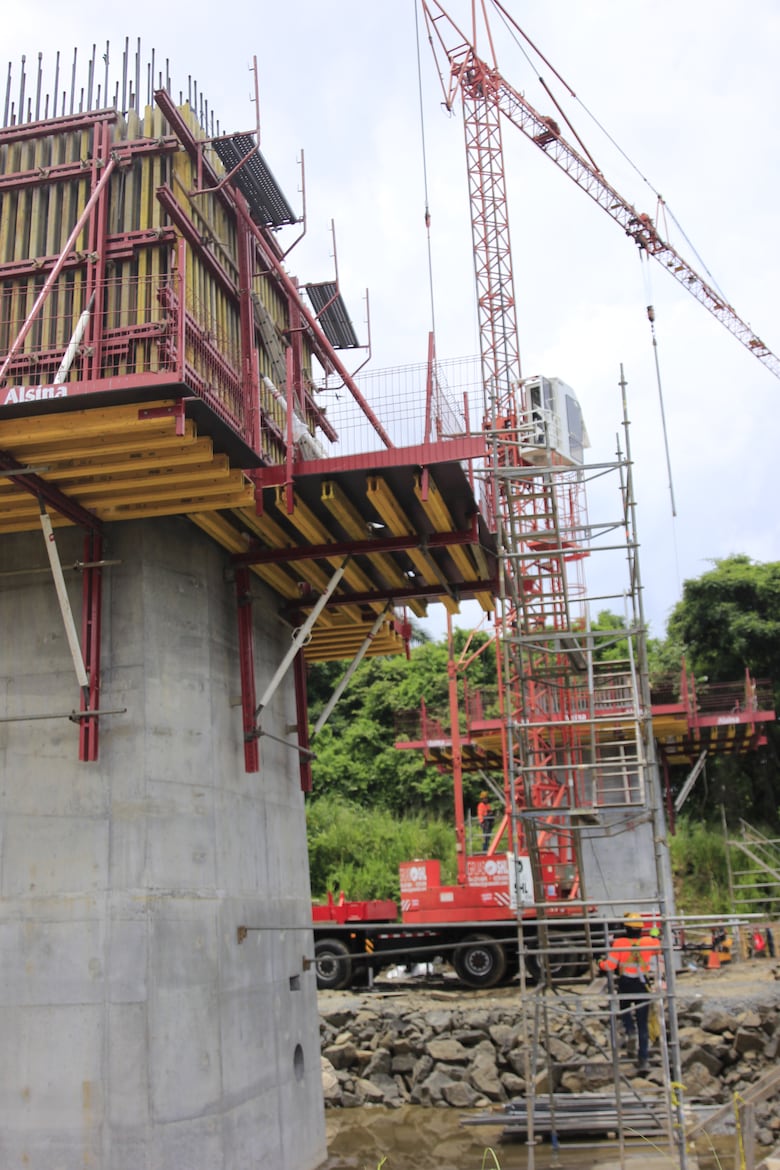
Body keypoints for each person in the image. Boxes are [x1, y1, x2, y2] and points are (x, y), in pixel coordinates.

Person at [599, 912, 661, 1073]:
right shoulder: (648, 942)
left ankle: (629, 1030)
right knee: (643, 1024)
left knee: (624, 1009)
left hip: (626, 983)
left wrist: (600, 962)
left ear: (625, 929)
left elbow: (610, 966)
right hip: (642, 985)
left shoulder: (619, 943)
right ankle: (643, 1059)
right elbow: (658, 947)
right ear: (641, 929)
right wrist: (654, 934)